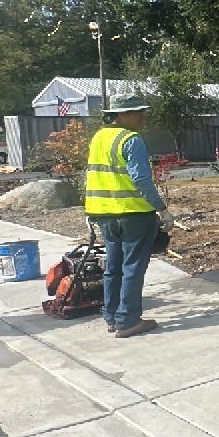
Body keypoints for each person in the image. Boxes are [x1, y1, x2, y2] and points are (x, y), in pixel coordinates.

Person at [84, 94, 172, 338]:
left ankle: (112, 316)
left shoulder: (99, 137)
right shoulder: (132, 140)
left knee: (113, 267)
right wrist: (160, 207)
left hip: (104, 213)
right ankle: (129, 321)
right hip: (134, 213)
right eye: (137, 112)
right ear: (121, 115)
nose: (142, 116)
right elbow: (141, 178)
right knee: (133, 267)